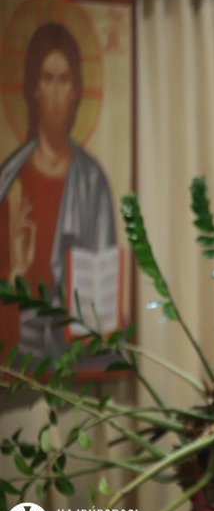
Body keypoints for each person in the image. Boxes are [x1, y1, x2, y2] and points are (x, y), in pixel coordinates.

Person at [0, 23, 116, 357]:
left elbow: (104, 283)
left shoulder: (93, 183)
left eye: (63, 80)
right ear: (34, 88)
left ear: (75, 90)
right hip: (19, 349)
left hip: (76, 351)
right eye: (47, 78)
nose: (54, 92)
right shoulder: (11, 179)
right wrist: (16, 271)